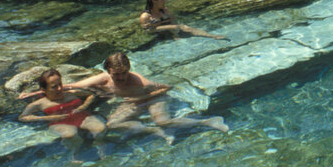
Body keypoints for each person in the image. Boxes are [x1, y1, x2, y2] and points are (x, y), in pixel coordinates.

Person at [60, 52, 229, 144]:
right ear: (109, 72)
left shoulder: (140, 81)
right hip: (134, 103)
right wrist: (40, 92)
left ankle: (209, 121)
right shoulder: (104, 78)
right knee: (111, 124)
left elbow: (166, 88)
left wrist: (144, 96)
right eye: (116, 74)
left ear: (129, 69)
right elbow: (77, 85)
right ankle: (152, 130)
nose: (120, 78)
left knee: (162, 120)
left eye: (124, 73)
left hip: (154, 99)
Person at [19, 69, 106, 138]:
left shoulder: (71, 93)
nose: (60, 88)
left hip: (82, 117)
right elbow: (23, 117)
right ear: (43, 89)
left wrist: (84, 106)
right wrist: (48, 118)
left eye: (60, 84)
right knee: (70, 134)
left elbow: (91, 95)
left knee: (100, 128)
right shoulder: (39, 103)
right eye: (54, 87)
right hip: (60, 123)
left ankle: (101, 146)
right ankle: (73, 156)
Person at [140, 0, 229, 40]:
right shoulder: (145, 17)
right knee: (179, 27)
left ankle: (212, 36)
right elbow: (149, 31)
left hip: (172, 31)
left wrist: (175, 33)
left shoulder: (164, 10)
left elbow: (174, 20)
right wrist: (169, 27)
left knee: (185, 27)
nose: (165, 0)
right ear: (154, 0)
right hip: (159, 36)